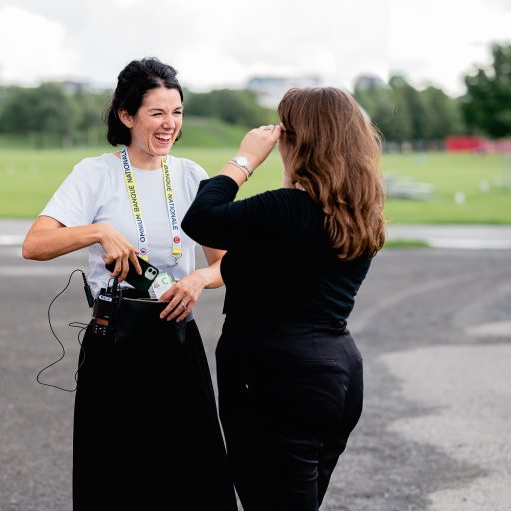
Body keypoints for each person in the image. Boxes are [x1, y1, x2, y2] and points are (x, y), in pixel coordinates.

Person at [22, 58, 237, 510]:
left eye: (176, 112)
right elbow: (35, 244)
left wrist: (200, 278)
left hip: (178, 341)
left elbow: (228, 265)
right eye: (157, 113)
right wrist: (97, 232)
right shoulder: (94, 173)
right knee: (116, 480)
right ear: (127, 115)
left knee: (191, 479)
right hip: (116, 342)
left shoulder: (192, 176)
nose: (169, 125)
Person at [181, 87, 386, 510]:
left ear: (298, 140)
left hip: (276, 380)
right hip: (336, 374)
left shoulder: (287, 210)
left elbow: (201, 219)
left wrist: (243, 161)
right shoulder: (359, 210)